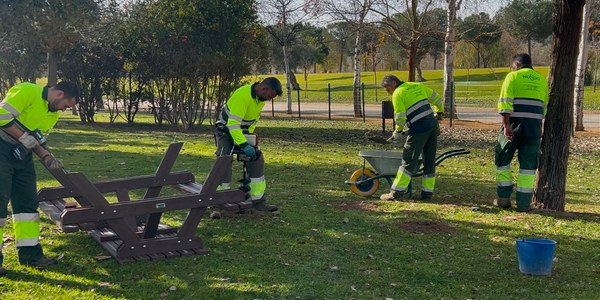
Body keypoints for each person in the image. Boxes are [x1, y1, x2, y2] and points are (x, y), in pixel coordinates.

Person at [0, 81, 79, 276]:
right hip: (1, 148)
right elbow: (1, 116)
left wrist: (46, 156)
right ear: (60, 94)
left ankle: (30, 255)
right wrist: (23, 137)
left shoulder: (51, 114)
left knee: (27, 205)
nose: (64, 110)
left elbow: (36, 139)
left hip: (22, 156)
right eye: (66, 106)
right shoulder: (28, 91)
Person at [214, 77, 282, 212]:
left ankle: (258, 201)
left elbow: (252, 121)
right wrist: (244, 145)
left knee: (256, 157)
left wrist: (250, 139)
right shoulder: (242, 96)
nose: (269, 99)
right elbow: (232, 125)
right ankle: (218, 202)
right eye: (269, 96)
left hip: (242, 132)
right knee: (224, 159)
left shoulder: (259, 99)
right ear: (264, 88)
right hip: (225, 131)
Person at [494, 53, 548, 212]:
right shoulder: (542, 80)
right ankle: (524, 204)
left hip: (513, 127)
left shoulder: (512, 77)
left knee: (502, 159)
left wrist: (506, 125)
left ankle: (503, 199)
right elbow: (544, 106)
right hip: (533, 130)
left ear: (516, 64)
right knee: (528, 167)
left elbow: (505, 102)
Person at [379, 74, 444, 201]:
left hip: (419, 129)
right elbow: (437, 99)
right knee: (429, 160)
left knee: (409, 158)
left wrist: (398, 131)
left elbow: (400, 116)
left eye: (388, 89)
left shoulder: (397, 93)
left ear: (393, 83)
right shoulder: (417, 85)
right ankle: (427, 193)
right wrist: (439, 112)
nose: (388, 93)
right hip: (432, 125)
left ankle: (397, 193)